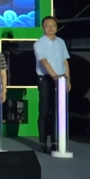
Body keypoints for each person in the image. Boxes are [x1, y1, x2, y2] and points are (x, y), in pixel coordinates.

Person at [33, 16, 71, 154]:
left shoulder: (61, 42)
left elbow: (65, 61)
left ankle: (55, 142)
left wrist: (67, 79)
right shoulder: (39, 43)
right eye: (47, 25)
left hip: (60, 79)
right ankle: (43, 142)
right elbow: (44, 62)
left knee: (57, 111)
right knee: (44, 111)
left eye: (53, 25)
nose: (50, 28)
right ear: (43, 27)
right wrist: (54, 76)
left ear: (57, 27)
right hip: (46, 79)